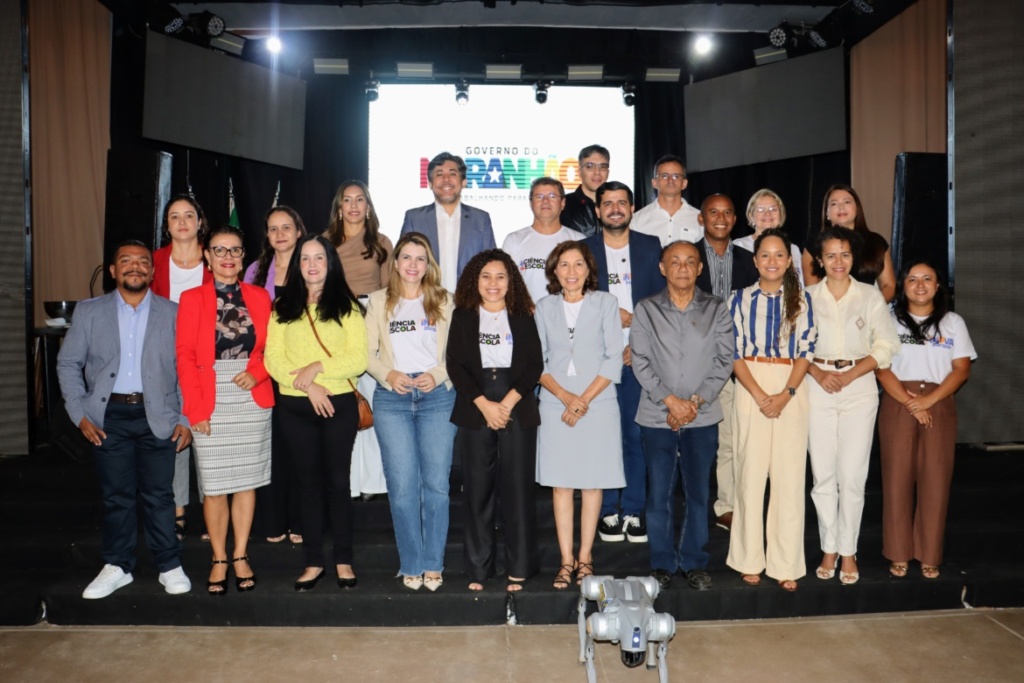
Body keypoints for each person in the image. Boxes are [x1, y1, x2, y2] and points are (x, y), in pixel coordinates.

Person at [56, 240, 192, 599]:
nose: (135, 266)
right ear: (114, 271)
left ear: (152, 271)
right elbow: (68, 363)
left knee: (160, 495)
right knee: (117, 496)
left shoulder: (174, 312)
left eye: (143, 261)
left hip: (158, 415)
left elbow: (186, 368)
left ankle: (168, 564)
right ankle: (118, 566)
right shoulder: (89, 311)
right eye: (126, 261)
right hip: (107, 417)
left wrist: (185, 416)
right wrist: (79, 413)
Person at [265, 234, 368, 592]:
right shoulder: (282, 306)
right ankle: (313, 562)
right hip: (295, 406)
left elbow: (358, 358)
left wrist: (317, 368)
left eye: (319, 257)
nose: (311, 264)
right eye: (305, 258)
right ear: (297, 265)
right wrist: (308, 386)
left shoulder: (347, 306)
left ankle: (343, 560)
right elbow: (273, 359)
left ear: (330, 263)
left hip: (338, 404)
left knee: (337, 483)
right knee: (306, 485)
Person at [176, 224, 274, 595]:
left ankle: (240, 554)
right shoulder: (191, 299)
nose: (227, 257)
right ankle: (218, 557)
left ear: (243, 256)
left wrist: (257, 372)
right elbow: (185, 356)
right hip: (209, 397)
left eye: (234, 250)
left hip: (251, 397)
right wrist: (194, 409)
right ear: (207, 256)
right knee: (215, 485)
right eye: (219, 250)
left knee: (246, 482)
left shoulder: (260, 297)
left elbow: (273, 348)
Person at [630, 240, 734, 590]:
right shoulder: (646, 309)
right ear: (662, 268)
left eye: (690, 261)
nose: (683, 268)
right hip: (656, 415)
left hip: (701, 417)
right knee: (658, 493)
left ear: (700, 268)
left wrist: (693, 403)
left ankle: (693, 562)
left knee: (698, 494)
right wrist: (671, 402)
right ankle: (662, 563)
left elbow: (724, 360)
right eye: (675, 262)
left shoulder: (716, 308)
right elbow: (640, 361)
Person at [806, 225, 899, 585]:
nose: (838, 261)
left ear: (853, 257)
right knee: (822, 476)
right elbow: (793, 345)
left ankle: (848, 550)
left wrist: (851, 375)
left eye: (844, 254)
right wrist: (817, 372)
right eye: (830, 255)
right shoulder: (807, 296)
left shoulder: (870, 295)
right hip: (817, 385)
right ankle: (828, 547)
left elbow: (886, 345)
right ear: (819, 260)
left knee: (852, 475)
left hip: (859, 387)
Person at [365, 232, 456, 592]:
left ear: (429, 264)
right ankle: (411, 564)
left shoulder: (445, 300)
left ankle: (433, 563)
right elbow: (366, 354)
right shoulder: (378, 301)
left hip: (437, 397)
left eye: (420, 258)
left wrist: (438, 374)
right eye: (406, 257)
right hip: (393, 399)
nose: (413, 264)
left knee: (436, 486)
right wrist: (388, 375)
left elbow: (458, 352)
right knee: (402, 487)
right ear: (396, 262)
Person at [446, 249, 542, 592]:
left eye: (501, 276)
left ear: (510, 281)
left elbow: (534, 364)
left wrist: (508, 403)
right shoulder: (463, 316)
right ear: (475, 280)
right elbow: (455, 364)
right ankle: (478, 569)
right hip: (476, 405)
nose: (493, 283)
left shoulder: (522, 315)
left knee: (518, 489)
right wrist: (485, 405)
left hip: (517, 404)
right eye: (486, 276)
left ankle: (519, 567)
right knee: (477, 491)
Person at [726, 228, 816, 592]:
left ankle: (785, 562)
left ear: (789, 261)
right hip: (751, 383)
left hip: (791, 384)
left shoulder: (803, 300)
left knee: (789, 478)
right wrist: (760, 393)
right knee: (750, 475)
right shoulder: (737, 299)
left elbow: (806, 350)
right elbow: (733, 351)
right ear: (755, 260)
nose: (772, 261)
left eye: (779, 255)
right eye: (765, 255)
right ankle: (748, 559)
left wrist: (786, 393)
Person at [876, 261, 976, 580]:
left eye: (927, 279)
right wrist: (911, 402)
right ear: (902, 286)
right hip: (898, 400)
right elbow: (880, 367)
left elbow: (961, 369)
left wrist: (928, 401)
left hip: (939, 402)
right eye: (912, 279)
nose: (920, 285)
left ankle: (929, 554)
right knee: (896, 479)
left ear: (937, 286)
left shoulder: (953, 322)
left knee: (936, 480)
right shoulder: (889, 320)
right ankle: (899, 553)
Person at [535, 241, 624, 589]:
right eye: (564, 265)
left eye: (578, 265)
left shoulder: (606, 303)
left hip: (598, 403)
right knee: (561, 485)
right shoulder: (544, 307)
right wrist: (565, 397)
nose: (571, 272)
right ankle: (565, 560)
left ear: (589, 270)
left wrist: (582, 400)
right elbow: (536, 361)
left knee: (592, 484)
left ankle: (585, 558)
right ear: (554, 271)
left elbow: (614, 357)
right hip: (555, 402)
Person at [583, 181, 663, 545]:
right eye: (607, 203)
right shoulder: (583, 249)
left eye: (621, 203)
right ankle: (606, 510)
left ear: (632, 208)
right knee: (602, 436)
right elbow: (574, 298)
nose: (615, 209)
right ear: (597, 210)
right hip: (597, 359)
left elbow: (661, 301)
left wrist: (638, 344)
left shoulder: (650, 245)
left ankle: (633, 508)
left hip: (638, 358)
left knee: (634, 435)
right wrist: (608, 314)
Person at [693, 194, 759, 533]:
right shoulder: (685, 257)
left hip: (741, 364)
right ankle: (694, 509)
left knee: (735, 439)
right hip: (696, 364)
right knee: (699, 443)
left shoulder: (751, 261)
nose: (720, 218)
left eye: (727, 213)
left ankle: (729, 505)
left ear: (735, 220)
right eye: (713, 212)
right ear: (701, 218)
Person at [326, 180, 393, 501]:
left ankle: (374, 483)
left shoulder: (381, 242)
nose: (353, 206)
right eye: (347, 200)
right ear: (339, 208)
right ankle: (348, 483)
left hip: (371, 320)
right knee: (343, 402)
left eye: (360, 200)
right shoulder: (324, 242)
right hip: (335, 320)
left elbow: (390, 292)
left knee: (371, 401)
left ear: (368, 206)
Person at [151, 193, 213, 541]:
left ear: (199, 221)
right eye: (174, 216)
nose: (182, 222)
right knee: (174, 430)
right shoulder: (154, 261)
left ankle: (210, 510)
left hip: (206, 358)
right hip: (164, 357)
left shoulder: (214, 258)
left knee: (204, 431)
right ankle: (178, 510)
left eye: (189, 215)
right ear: (167, 225)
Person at [244, 205, 306, 545]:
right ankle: (273, 520)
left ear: (298, 231)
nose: (280, 234)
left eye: (286, 227)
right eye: (273, 229)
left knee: (300, 447)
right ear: (266, 235)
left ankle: (300, 519)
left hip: (303, 368)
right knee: (271, 447)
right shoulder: (256, 270)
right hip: (265, 368)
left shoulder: (312, 263)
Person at [400, 152, 496, 292]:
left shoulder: (481, 219)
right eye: (439, 174)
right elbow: (403, 264)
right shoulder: (414, 218)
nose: (446, 179)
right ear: (430, 183)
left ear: (464, 182)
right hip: (425, 299)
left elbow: (491, 265)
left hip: (469, 300)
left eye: (452, 174)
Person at [802, 184, 896, 302]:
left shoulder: (876, 242)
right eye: (834, 204)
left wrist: (871, 307)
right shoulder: (814, 244)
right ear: (826, 213)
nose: (841, 207)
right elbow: (813, 290)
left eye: (847, 202)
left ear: (857, 208)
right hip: (827, 309)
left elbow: (889, 286)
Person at [501, 177, 585, 304]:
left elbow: (586, 284)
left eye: (552, 196)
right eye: (539, 196)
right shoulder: (514, 240)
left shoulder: (579, 240)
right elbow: (506, 285)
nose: (545, 201)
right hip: (526, 314)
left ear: (563, 203)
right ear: (531, 203)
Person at [734, 189, 804, 282]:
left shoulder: (793, 249)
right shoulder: (739, 246)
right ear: (751, 216)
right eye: (760, 209)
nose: (767, 213)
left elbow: (801, 284)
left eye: (773, 209)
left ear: (780, 215)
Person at [631, 155, 702, 246]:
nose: (670, 180)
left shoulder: (699, 218)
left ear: (684, 183)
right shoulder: (637, 220)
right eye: (664, 176)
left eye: (676, 176)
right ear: (654, 182)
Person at [560, 144, 610, 237]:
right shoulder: (563, 206)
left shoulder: (617, 205)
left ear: (608, 172)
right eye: (590, 166)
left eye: (602, 166)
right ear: (579, 172)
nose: (597, 172)